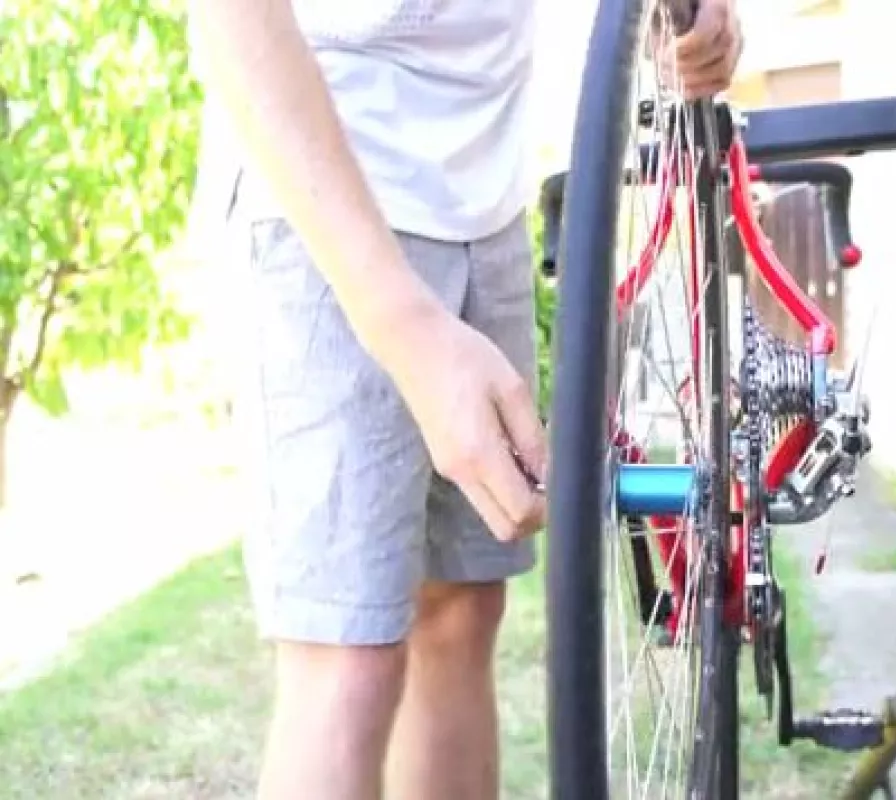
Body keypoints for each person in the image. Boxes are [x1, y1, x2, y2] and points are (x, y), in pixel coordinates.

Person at [188, 1, 743, 798]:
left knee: (459, 616)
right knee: (345, 656)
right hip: (325, 199)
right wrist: (406, 329)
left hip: (484, 198)